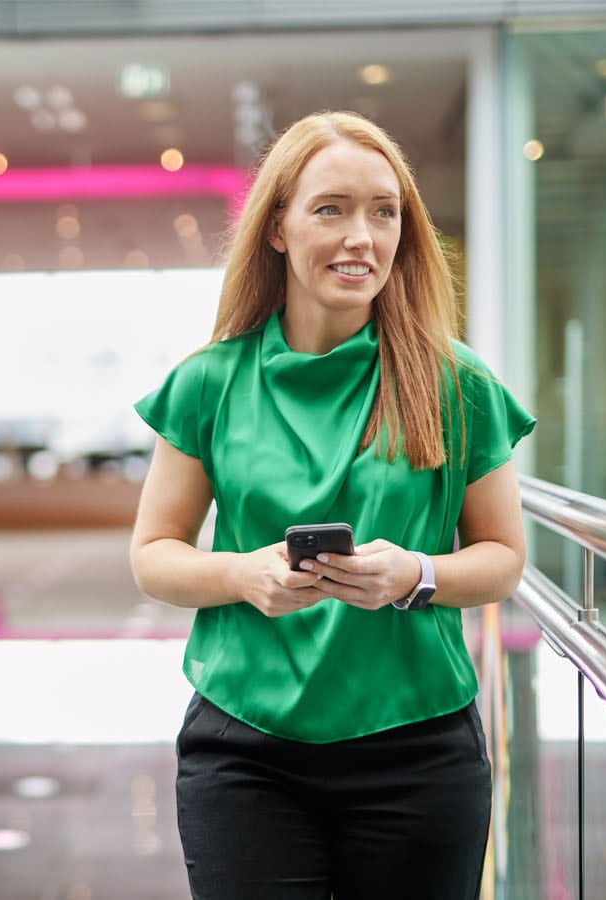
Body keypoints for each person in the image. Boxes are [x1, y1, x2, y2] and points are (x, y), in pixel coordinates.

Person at [129, 110, 535, 900]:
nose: (363, 236)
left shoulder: (456, 382)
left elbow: (503, 560)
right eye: (331, 209)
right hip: (244, 750)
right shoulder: (211, 381)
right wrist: (244, 577)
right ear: (277, 228)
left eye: (384, 212)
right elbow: (154, 555)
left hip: (418, 751)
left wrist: (414, 574)